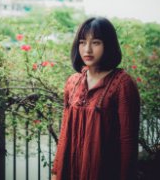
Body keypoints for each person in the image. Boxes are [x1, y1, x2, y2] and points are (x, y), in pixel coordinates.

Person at [51, 17, 140, 180]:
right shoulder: (73, 82)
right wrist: (56, 172)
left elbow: (128, 141)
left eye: (96, 42)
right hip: (70, 170)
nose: (87, 50)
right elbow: (64, 131)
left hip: (103, 172)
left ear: (109, 45)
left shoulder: (122, 83)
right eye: (83, 42)